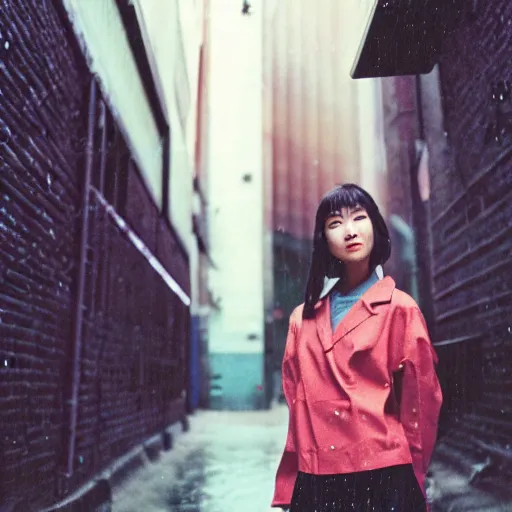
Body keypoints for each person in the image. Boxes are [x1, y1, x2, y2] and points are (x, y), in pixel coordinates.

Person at [271, 184, 442, 512]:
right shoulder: (301, 320)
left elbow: (422, 400)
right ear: (324, 241)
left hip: (384, 472)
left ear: (375, 228)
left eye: (359, 218)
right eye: (335, 223)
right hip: (318, 477)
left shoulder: (399, 309)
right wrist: (291, 484)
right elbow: (299, 411)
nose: (349, 231)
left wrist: (415, 473)